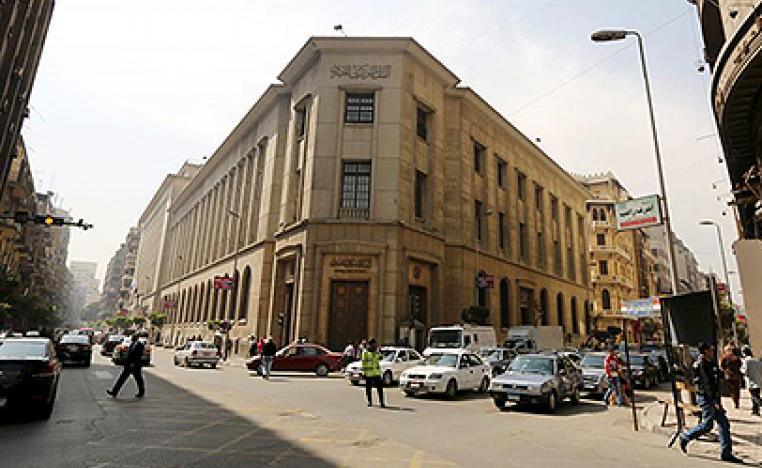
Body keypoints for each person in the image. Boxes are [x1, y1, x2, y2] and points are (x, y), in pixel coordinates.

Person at [678, 342, 742, 463]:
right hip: (706, 398)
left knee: (723, 424)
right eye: (710, 350)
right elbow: (707, 384)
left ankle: (726, 453)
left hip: (713, 397)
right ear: (706, 351)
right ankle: (686, 436)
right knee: (707, 425)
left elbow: (716, 378)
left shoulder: (710, 362)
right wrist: (714, 400)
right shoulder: (701, 364)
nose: (712, 351)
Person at [107, 334, 145, 398]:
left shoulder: (140, 345)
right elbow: (128, 354)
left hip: (136, 366)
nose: (132, 338)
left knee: (139, 380)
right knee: (121, 379)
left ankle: (141, 392)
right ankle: (114, 392)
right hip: (128, 365)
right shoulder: (132, 344)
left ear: (137, 338)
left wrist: (133, 363)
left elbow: (138, 356)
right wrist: (124, 361)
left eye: (133, 337)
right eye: (132, 337)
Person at [361, 338, 385, 407]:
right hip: (368, 373)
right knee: (368, 389)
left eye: (375, 344)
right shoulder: (365, 353)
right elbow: (363, 363)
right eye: (374, 344)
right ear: (370, 345)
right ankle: (369, 401)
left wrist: (380, 352)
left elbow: (381, 357)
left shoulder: (376, 352)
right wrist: (363, 373)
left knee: (380, 388)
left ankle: (381, 402)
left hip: (377, 373)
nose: (375, 345)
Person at [741, 346, 762, 416]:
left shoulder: (746, 361)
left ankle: (758, 406)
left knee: (755, 396)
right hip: (758, 380)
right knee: (755, 395)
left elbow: (744, 370)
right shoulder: (757, 360)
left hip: (751, 381)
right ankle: (755, 410)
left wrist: (741, 370)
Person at [721, 344, 743, 409]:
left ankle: (736, 402)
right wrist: (726, 371)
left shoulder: (736, 359)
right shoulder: (725, 358)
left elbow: (740, 365)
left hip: (734, 376)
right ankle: (735, 400)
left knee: (736, 390)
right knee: (732, 390)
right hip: (729, 376)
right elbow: (722, 366)